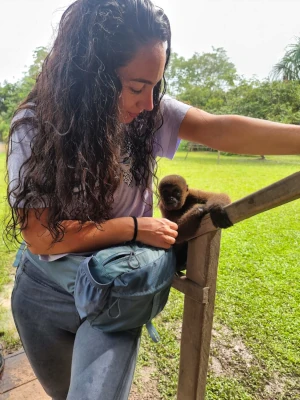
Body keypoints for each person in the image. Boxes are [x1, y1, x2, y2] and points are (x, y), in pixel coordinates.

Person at [6, 0, 300, 399]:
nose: (148, 103)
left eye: (155, 86)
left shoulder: (147, 115)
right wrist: (134, 227)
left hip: (114, 288)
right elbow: (41, 237)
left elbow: (220, 129)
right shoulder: (35, 126)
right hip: (42, 293)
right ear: (90, 77)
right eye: (136, 87)